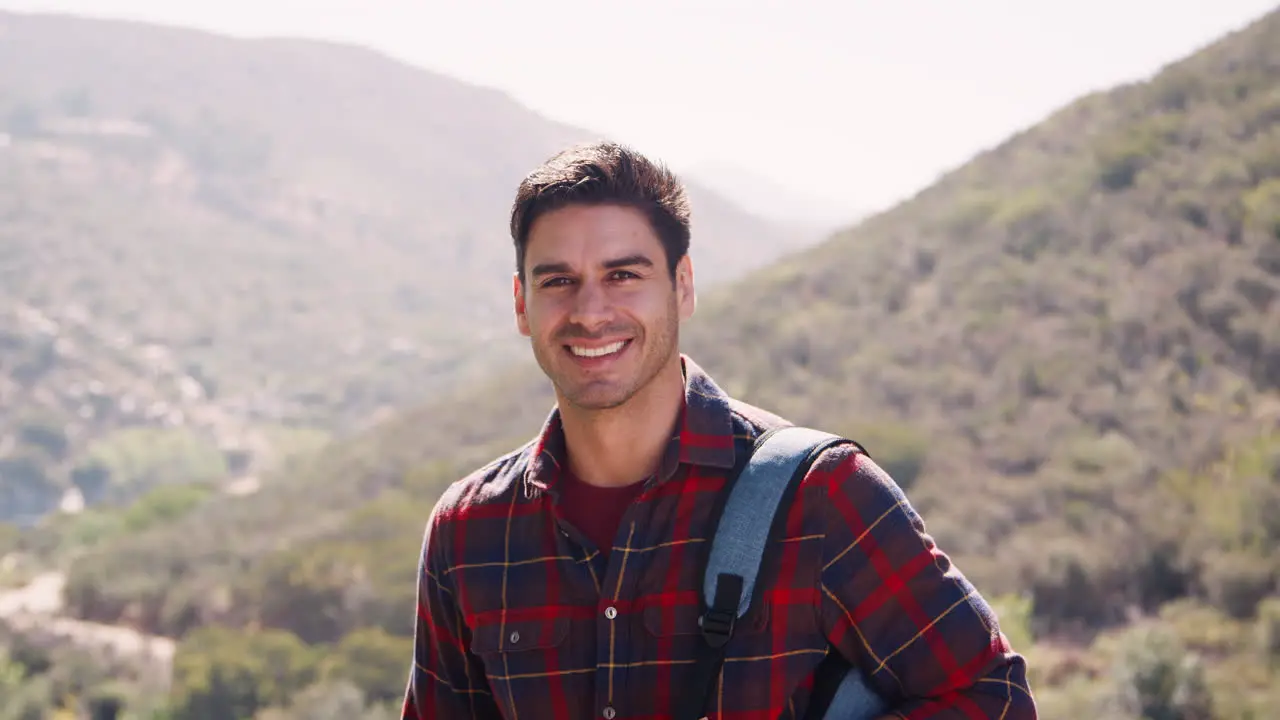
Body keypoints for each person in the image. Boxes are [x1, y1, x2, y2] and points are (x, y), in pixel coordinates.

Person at [401, 140, 1037, 720]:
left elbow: (990, 698)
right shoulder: (467, 532)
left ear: (682, 287)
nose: (591, 312)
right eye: (558, 281)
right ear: (521, 304)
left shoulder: (822, 495)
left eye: (624, 275)